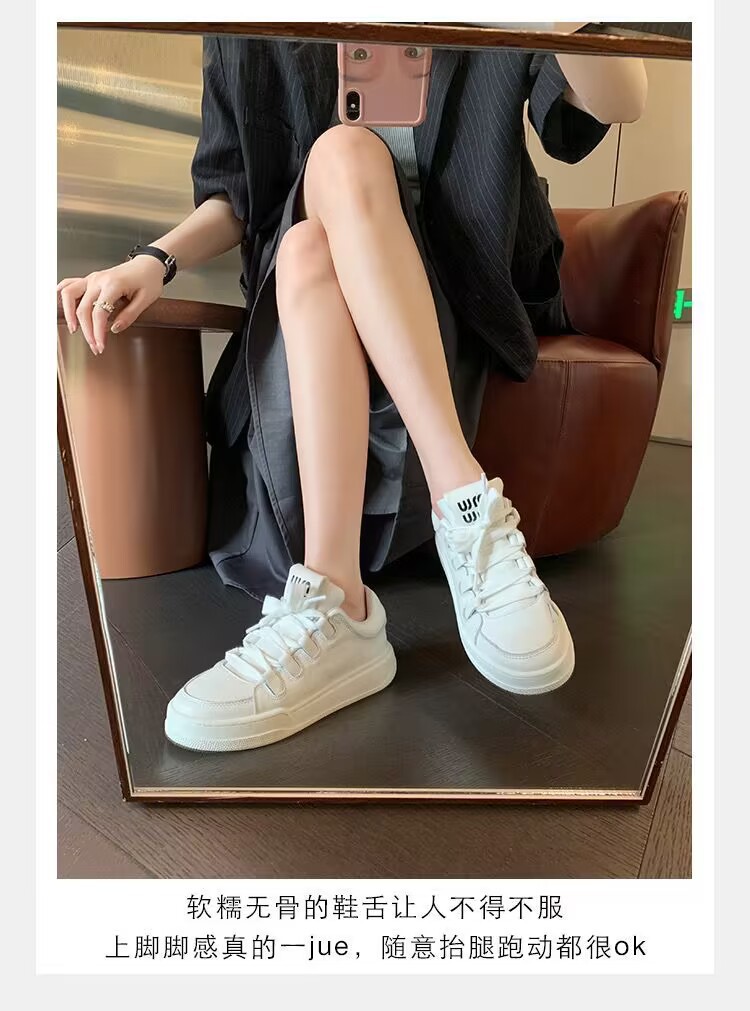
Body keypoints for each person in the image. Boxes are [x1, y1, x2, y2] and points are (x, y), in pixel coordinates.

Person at [57, 30, 647, 753]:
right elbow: (235, 194)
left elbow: (619, 101)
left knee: (341, 157)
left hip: (460, 292)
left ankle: (356, 591)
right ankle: (455, 516)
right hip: (312, 291)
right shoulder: (248, 24)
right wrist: (155, 259)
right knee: (316, 218)